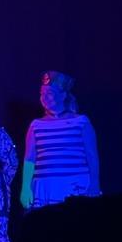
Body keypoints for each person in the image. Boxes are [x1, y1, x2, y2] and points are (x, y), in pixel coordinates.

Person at [21, 71, 101, 210]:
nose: (44, 97)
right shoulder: (36, 125)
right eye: (42, 93)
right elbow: (29, 158)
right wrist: (25, 187)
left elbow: (91, 155)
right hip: (45, 187)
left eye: (50, 93)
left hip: (76, 186)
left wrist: (94, 183)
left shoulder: (80, 121)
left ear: (63, 95)